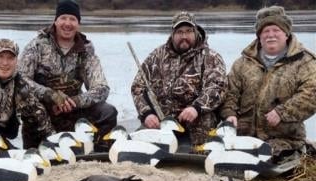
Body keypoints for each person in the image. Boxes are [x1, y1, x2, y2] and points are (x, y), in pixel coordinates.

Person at [219, 6, 316, 162]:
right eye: (265, 31)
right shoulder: (242, 63)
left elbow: (311, 94)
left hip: (284, 138)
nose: (270, 35)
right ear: (259, 36)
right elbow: (230, 92)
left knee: (269, 160)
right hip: (244, 136)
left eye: (276, 30)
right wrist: (229, 113)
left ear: (286, 33)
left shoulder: (305, 61)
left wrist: (282, 112)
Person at [18, 0, 117, 147]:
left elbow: (102, 88)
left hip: (74, 111)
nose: (67, 23)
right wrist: (50, 95)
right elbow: (20, 80)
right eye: (63, 18)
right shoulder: (37, 45)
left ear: (78, 24)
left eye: (73, 19)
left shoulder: (86, 50)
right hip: (44, 112)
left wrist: (76, 101)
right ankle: (41, 147)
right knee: (31, 111)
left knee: (108, 112)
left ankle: (97, 150)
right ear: (56, 21)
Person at [131, 11, 227, 146]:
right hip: (161, 118)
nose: (184, 36)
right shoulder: (157, 56)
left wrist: (196, 108)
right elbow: (137, 87)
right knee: (139, 145)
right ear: (172, 33)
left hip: (194, 117)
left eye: (188, 31)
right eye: (179, 32)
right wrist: (147, 114)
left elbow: (218, 87)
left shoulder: (210, 57)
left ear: (195, 32)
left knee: (204, 135)